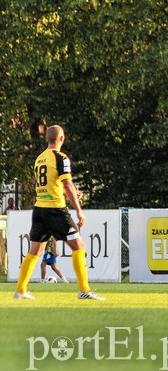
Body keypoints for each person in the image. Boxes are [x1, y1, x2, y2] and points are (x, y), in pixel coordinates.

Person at [13, 125, 104, 300]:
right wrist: (78, 210)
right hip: (55, 210)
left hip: (39, 209)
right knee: (79, 247)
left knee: (34, 252)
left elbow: (50, 186)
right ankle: (84, 290)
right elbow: (68, 184)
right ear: (62, 138)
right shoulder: (61, 157)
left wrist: (64, 192)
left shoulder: (40, 158)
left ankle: (21, 290)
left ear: (47, 138)